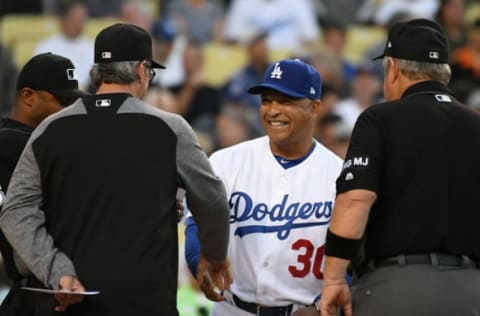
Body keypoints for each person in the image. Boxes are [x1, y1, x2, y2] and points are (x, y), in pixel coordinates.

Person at [0, 23, 232, 316]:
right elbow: (211, 201)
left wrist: (57, 271)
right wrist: (213, 256)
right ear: (140, 70)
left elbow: (15, 213)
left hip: (71, 302)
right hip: (145, 304)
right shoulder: (169, 129)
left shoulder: (49, 129)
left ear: (98, 72)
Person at [320, 18, 480, 316]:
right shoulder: (475, 123)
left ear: (392, 68)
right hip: (471, 290)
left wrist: (333, 278)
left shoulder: (379, 119)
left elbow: (356, 199)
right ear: (442, 71)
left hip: (396, 288)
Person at [185, 58, 344, 315]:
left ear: (314, 107)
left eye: (285, 101)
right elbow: (196, 225)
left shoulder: (338, 174)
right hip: (233, 309)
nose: (272, 110)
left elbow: (356, 256)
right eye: (267, 100)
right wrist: (199, 261)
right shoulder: (226, 161)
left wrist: (319, 306)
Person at [0, 52, 88, 314]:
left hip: (51, 286)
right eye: (61, 100)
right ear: (28, 97)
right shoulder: (9, 145)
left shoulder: (50, 141)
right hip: (42, 286)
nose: (69, 108)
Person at [34, 1, 94, 89]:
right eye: (74, 19)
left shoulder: (92, 48)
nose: (78, 24)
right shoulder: (45, 46)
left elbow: (89, 78)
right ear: (62, 20)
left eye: (81, 20)